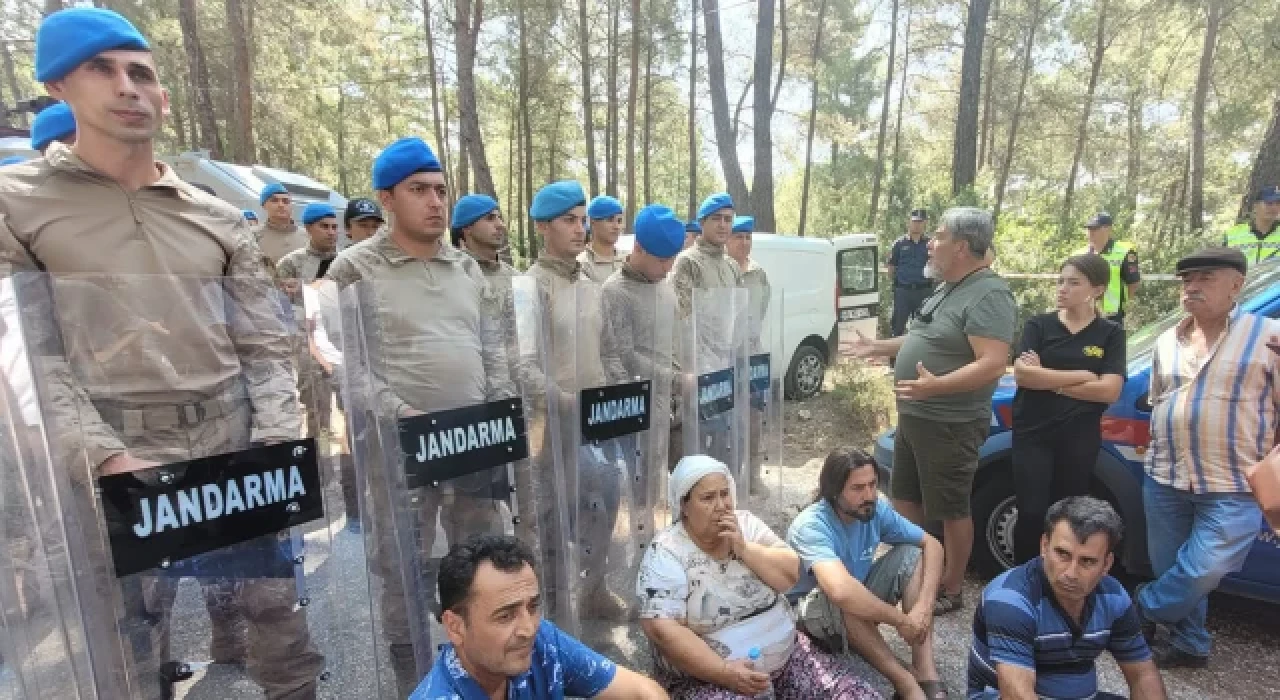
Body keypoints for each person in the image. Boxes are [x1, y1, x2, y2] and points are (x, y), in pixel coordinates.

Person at [0, 8, 322, 698]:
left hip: (232, 440)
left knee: (279, 619)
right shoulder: (15, 205)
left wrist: (274, 440)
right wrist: (105, 457)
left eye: (141, 73)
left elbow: (264, 344)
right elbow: (24, 357)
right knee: (132, 640)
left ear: (164, 97)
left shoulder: (214, 215)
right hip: (112, 454)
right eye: (102, 70)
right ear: (57, 86)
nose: (127, 87)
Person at [326, 136, 516, 695]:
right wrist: (399, 411)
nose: (435, 201)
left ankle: (479, 673)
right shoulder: (354, 269)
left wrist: (499, 408)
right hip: (400, 448)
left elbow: (492, 348)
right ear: (386, 199)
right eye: (418, 190)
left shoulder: (466, 268)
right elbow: (344, 362)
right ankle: (415, 680)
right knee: (402, 566)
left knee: (479, 561)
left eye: (439, 190)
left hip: (473, 442)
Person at [848, 207, 1016, 616]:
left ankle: (951, 586)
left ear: (961, 247)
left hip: (950, 423)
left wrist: (936, 386)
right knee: (905, 497)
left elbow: (993, 362)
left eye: (938, 236)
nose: (930, 243)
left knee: (950, 508)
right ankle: (918, 570)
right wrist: (879, 347)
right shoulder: (948, 288)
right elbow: (921, 336)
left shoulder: (989, 294)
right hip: (915, 416)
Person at [1134, 246, 1279, 668]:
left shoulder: (1269, 336)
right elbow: (1159, 399)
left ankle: (1140, 606)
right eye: (1187, 279)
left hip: (1234, 482)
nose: (1192, 287)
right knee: (1174, 568)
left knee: (1202, 570)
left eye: (1205, 278)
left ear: (1236, 285)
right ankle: (1191, 643)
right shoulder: (1167, 341)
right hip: (1165, 477)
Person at [637, 455, 883, 700]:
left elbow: (790, 574)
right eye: (708, 498)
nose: (721, 505)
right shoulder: (667, 551)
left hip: (787, 656)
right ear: (684, 505)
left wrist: (744, 549)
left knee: (856, 694)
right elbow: (662, 630)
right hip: (710, 678)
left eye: (725, 494)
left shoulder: (746, 525)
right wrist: (725, 672)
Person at [521, 180, 631, 621]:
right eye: (569, 220)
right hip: (551, 426)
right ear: (542, 227)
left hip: (597, 421)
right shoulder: (530, 286)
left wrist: (618, 392)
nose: (579, 229)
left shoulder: (590, 281)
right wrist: (560, 398)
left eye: (583, 220)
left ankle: (593, 589)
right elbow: (522, 364)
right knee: (552, 516)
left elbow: (607, 349)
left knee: (604, 503)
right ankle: (553, 606)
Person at [411, 534, 667, 700]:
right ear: (455, 627)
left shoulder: (542, 643)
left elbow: (642, 691)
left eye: (533, 606)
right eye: (505, 616)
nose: (528, 628)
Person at [968, 497, 1168, 700]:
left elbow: (1142, 675)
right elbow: (1017, 695)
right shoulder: (1010, 600)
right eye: (1062, 554)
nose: (1071, 573)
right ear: (1044, 546)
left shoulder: (1113, 597)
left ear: (1107, 564)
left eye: (1087, 561)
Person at [787, 448, 945, 700]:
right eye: (857, 488)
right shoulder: (811, 526)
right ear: (834, 490)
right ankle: (906, 683)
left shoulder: (875, 510)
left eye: (872, 484)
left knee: (912, 553)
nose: (869, 495)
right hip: (810, 620)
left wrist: (923, 608)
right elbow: (840, 591)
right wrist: (901, 621)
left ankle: (925, 671)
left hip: (851, 603)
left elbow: (933, 545)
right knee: (844, 593)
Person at [1010, 254, 1125, 564]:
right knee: (1031, 511)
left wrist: (1048, 380)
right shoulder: (1039, 325)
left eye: (1073, 283)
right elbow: (1023, 375)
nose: (1063, 288)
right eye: (1060, 281)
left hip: (1079, 437)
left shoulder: (1111, 333)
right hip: (1033, 433)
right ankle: (1023, 577)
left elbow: (1109, 390)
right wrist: (1083, 375)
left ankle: (1060, 577)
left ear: (1096, 290)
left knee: (1068, 516)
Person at [600, 204, 684, 479]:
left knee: (673, 481)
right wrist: (675, 379)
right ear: (639, 247)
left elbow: (676, 340)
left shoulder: (665, 287)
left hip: (672, 402)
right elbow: (623, 357)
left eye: (672, 259)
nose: (668, 268)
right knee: (641, 482)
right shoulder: (615, 292)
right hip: (637, 407)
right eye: (662, 260)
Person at [726, 214, 772, 493]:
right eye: (738, 237)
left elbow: (762, 309)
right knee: (726, 420)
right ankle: (729, 478)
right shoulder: (722, 270)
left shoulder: (758, 273)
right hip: (724, 357)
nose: (744, 243)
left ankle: (753, 475)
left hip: (753, 356)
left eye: (747, 237)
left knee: (755, 418)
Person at [671, 193, 743, 317]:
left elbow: (739, 313)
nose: (722, 225)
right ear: (702, 222)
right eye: (716, 218)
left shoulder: (732, 266)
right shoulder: (688, 261)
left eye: (727, 219)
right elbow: (681, 316)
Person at [1079, 213, 1140, 325]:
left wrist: (1122, 305)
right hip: (1084, 313)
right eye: (1089, 229)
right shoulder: (1080, 254)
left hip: (1111, 316)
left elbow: (1133, 283)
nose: (1091, 232)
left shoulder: (1124, 252)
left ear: (1107, 229)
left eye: (1095, 228)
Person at [887, 209, 933, 338]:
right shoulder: (899, 244)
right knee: (897, 328)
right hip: (903, 292)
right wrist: (897, 285)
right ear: (909, 222)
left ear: (925, 223)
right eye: (914, 222)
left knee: (923, 328)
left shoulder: (930, 244)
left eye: (920, 222)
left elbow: (935, 265)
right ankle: (895, 352)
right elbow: (891, 267)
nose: (917, 225)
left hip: (923, 292)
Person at [452, 193, 517, 285]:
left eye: (499, 218)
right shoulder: (452, 277)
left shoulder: (516, 278)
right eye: (490, 218)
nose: (501, 225)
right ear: (467, 228)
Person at [1222, 185, 1280, 264]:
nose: (1274, 208)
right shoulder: (1232, 234)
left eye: (1278, 203)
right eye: (1269, 203)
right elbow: (1223, 265)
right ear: (1255, 206)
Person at [256, 181, 307, 265]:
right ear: (264, 205)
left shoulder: (308, 236)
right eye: (274, 200)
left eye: (285, 201)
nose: (281, 205)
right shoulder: (253, 235)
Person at [580, 194, 626, 282]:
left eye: (619, 221)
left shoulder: (628, 260)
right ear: (592, 223)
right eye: (610, 220)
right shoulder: (583, 265)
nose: (616, 226)